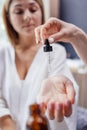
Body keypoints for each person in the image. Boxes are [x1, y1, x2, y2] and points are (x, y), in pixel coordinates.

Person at [0, 1, 78, 130]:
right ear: (8, 17)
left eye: (33, 9)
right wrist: (6, 122)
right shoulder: (2, 54)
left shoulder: (55, 52)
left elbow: (61, 108)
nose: (27, 17)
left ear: (41, 11)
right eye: (19, 11)